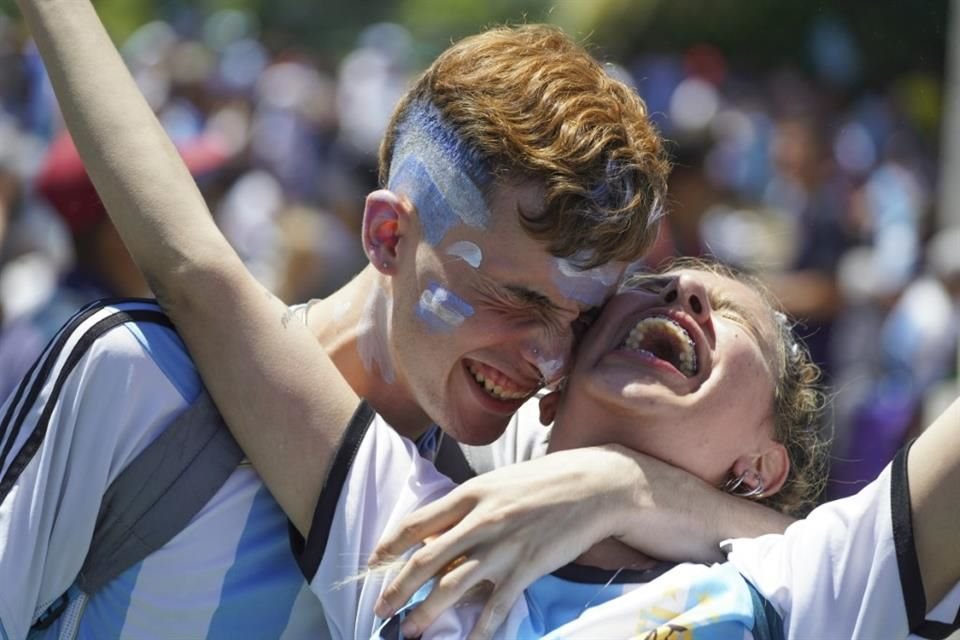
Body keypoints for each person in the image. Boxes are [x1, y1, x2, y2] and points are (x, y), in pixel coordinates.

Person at [19, 4, 960, 640]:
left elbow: (815, 533)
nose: (547, 358)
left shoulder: (506, 495)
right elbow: (199, 274)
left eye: (580, 316)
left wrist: (618, 486)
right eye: (517, 300)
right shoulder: (148, 387)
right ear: (388, 234)